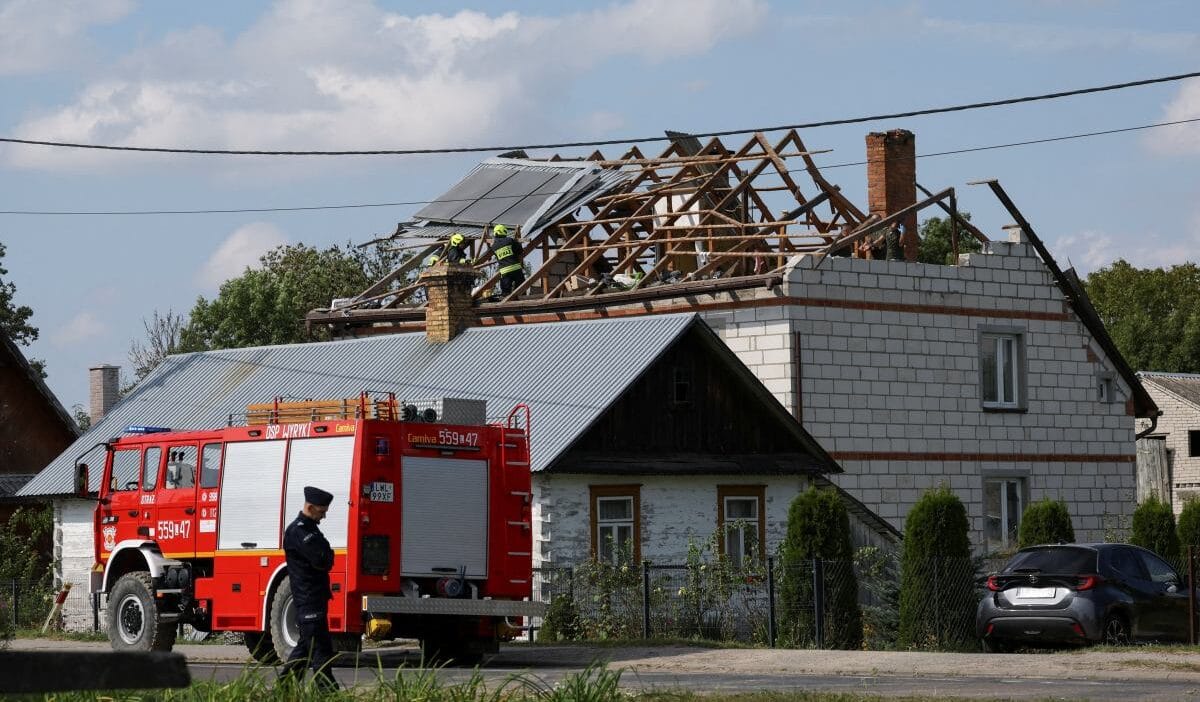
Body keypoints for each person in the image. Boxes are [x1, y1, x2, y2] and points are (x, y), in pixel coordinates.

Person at [279, 486, 339, 691]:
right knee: (320, 649)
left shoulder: (311, 529)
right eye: (321, 512)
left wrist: (327, 556)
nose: (324, 516)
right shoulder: (298, 531)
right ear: (311, 507)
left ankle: (284, 688)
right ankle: (327, 691)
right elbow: (322, 559)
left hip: (315, 597)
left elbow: (327, 556)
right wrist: (326, 556)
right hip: (308, 598)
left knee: (306, 647)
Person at [491, 224, 525, 295]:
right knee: (521, 289)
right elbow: (520, 250)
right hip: (516, 268)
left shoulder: (494, 246)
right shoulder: (509, 240)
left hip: (504, 271)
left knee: (505, 293)